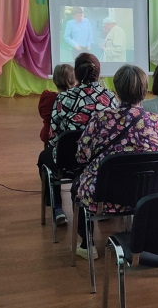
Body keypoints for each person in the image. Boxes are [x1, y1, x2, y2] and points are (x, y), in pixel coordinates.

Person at [73, 64, 158, 258]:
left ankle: (87, 246)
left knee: (77, 187)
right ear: (145, 89)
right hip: (148, 194)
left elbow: (81, 157)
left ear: (116, 90)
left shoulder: (100, 119)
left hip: (103, 198)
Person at [48, 53, 118, 224]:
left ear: (76, 74)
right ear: (99, 73)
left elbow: (53, 136)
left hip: (70, 161)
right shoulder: (111, 98)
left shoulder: (64, 97)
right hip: (104, 161)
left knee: (45, 157)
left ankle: (58, 208)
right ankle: (102, 205)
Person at [37, 63, 76, 225]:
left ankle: (57, 207)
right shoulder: (79, 100)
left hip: (55, 145)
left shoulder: (48, 98)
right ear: (74, 80)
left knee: (48, 162)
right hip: (80, 154)